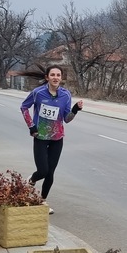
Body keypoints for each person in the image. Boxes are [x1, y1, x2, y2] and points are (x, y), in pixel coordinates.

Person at [19, 65, 83, 214]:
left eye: (58, 75)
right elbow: (24, 107)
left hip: (57, 138)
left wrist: (75, 110)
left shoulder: (66, 95)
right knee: (43, 170)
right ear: (47, 77)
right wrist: (31, 126)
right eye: (53, 75)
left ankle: (42, 201)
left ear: (61, 78)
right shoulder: (38, 93)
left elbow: (66, 119)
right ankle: (31, 180)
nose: (55, 77)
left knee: (50, 172)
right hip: (40, 137)